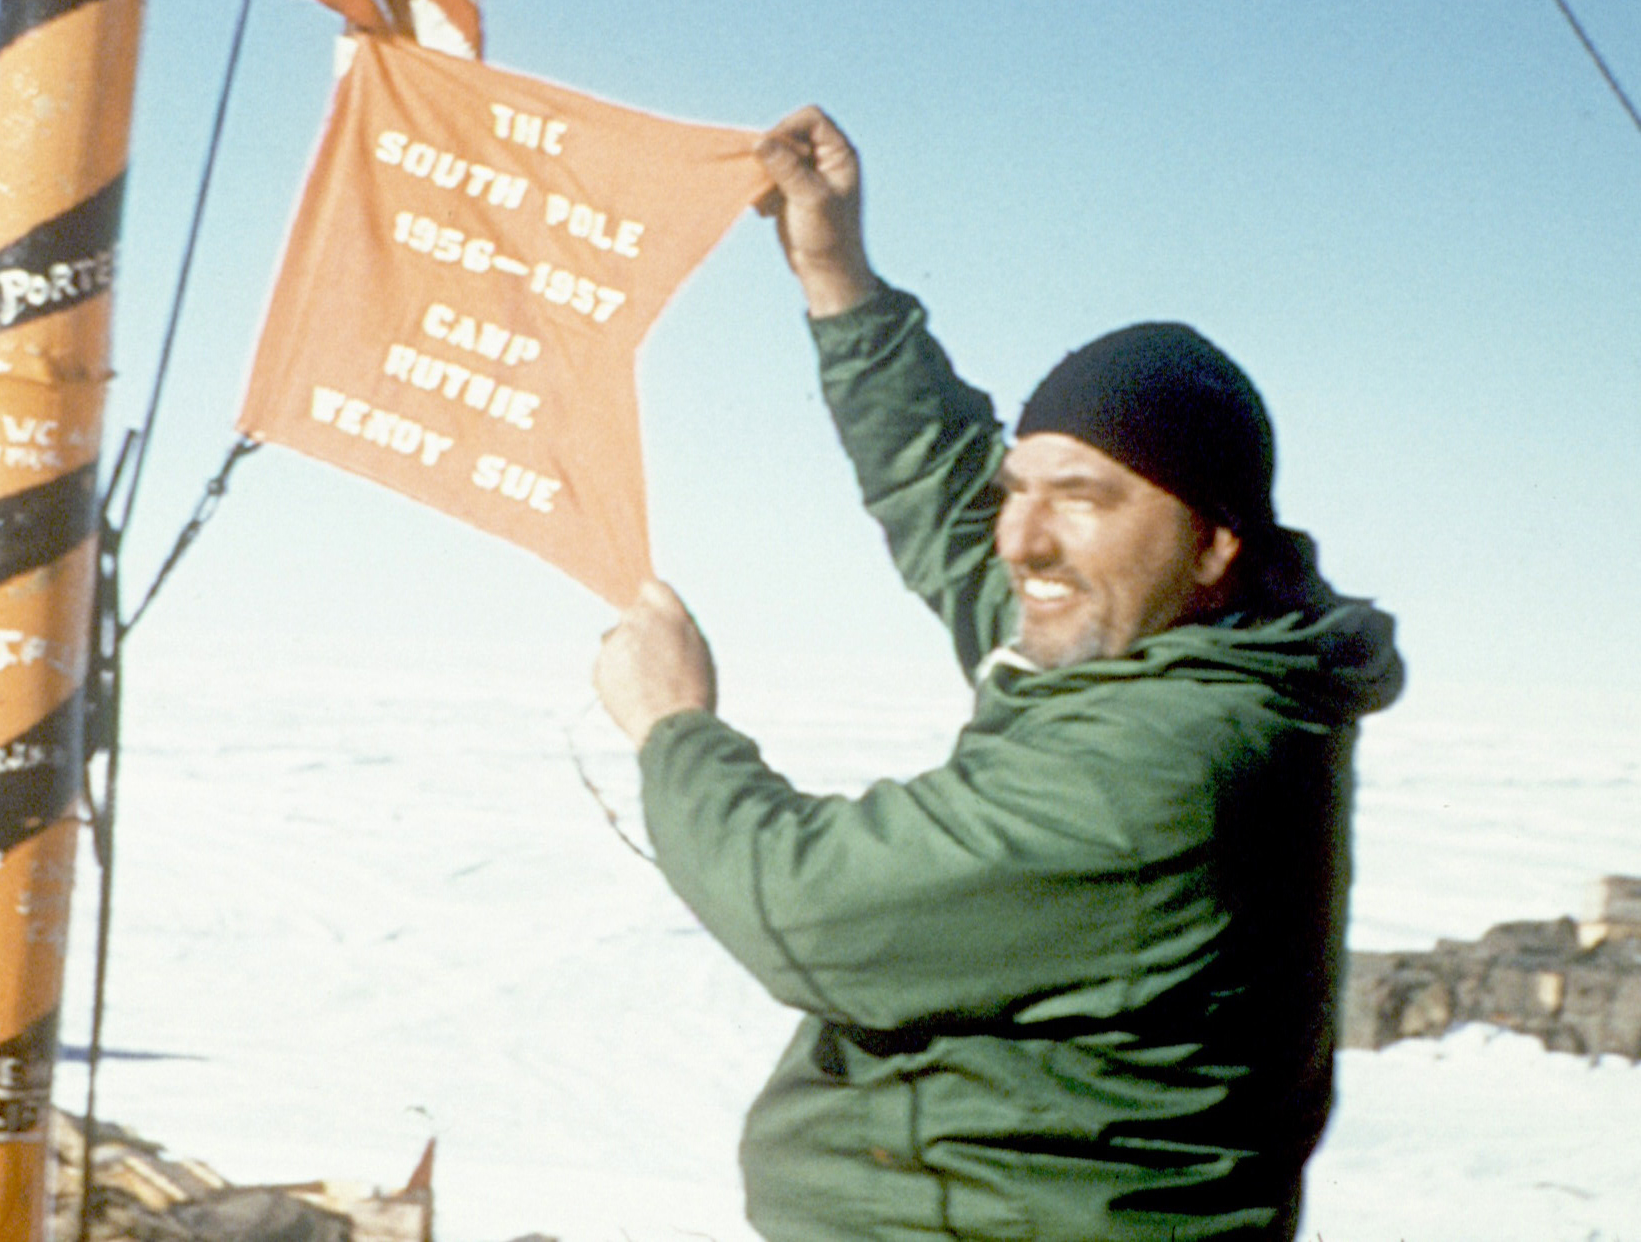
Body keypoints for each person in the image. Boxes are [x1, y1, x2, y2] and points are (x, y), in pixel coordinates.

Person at [594, 108, 1404, 1242]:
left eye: (1082, 496)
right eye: (1020, 487)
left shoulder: (1166, 761)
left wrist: (675, 728)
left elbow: (804, 907)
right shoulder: (1168, 643)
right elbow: (945, 487)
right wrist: (838, 277)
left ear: (1213, 543)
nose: (1022, 540)